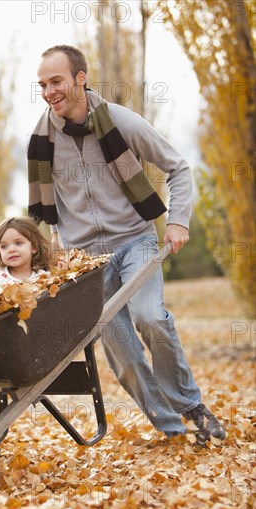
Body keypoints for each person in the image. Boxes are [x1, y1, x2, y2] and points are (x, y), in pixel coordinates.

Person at [28, 44, 225, 444]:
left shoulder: (120, 122)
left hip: (134, 241)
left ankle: (191, 407)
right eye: (43, 85)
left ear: (81, 79)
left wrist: (177, 222)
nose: (49, 92)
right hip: (86, 262)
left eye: (57, 82)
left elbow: (178, 167)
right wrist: (54, 250)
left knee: (150, 318)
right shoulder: (40, 140)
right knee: (124, 353)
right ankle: (172, 429)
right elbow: (46, 210)